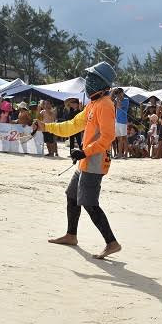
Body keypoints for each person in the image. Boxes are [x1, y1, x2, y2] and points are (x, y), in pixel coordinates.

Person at [36, 61, 121, 258]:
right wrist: (46, 126)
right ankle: (71, 235)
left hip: (95, 160)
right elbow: (72, 125)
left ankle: (112, 242)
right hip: (86, 158)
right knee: (72, 195)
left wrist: (85, 151)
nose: (88, 81)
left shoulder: (106, 105)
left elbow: (108, 137)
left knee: (89, 202)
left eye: (92, 78)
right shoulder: (93, 104)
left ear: (102, 83)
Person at [113, 88, 129, 159]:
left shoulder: (126, 100)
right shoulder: (116, 100)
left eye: (120, 93)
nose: (118, 95)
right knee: (119, 139)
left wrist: (117, 100)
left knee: (124, 138)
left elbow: (119, 106)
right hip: (117, 121)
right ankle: (119, 154)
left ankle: (125, 154)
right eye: (117, 93)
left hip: (123, 121)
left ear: (122, 93)